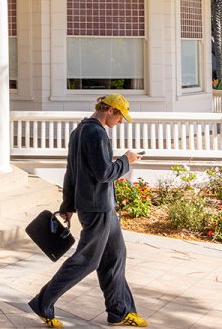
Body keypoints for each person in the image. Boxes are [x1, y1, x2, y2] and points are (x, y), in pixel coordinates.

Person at [28, 94, 149, 328]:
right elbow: (104, 173)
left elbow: (71, 172)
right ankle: (43, 303)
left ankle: (119, 311)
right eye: (121, 117)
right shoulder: (96, 133)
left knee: (115, 257)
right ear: (110, 111)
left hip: (99, 208)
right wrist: (127, 159)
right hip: (97, 209)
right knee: (86, 261)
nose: (121, 122)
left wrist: (67, 206)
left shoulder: (80, 130)